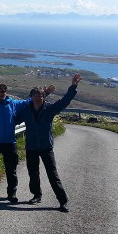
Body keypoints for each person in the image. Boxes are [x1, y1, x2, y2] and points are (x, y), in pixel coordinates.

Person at [15, 73, 82, 213]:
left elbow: (65, 101)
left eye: (40, 96)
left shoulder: (50, 109)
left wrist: (73, 87)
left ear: (44, 97)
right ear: (31, 97)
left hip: (46, 147)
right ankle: (36, 195)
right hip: (31, 147)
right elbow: (14, 120)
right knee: (33, 173)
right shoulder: (26, 110)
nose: (37, 98)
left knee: (52, 174)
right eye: (35, 95)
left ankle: (62, 201)